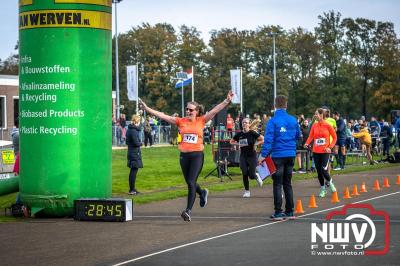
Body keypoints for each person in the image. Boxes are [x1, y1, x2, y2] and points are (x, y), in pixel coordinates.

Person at [139, 91, 234, 222]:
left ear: (197, 111)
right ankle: (202, 193)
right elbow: (163, 115)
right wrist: (147, 108)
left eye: (191, 109)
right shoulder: (180, 121)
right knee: (191, 182)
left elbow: (214, 111)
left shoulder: (202, 120)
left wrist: (226, 100)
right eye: (187, 109)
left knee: (190, 182)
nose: (188, 111)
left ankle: (188, 210)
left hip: (197, 156)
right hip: (184, 156)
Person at [258, 95, 300, 221]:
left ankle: (278, 212)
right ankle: (290, 211)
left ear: (275, 106)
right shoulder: (293, 120)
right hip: (290, 154)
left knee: (277, 184)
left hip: (278, 155)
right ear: (286, 105)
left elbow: (269, 140)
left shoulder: (273, 121)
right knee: (288, 183)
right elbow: (298, 135)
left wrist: (263, 155)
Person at [304, 108, 337, 198]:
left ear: (321, 115)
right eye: (315, 114)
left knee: (324, 170)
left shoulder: (328, 125)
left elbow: (334, 138)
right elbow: (311, 136)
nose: (315, 115)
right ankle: (323, 189)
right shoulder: (314, 125)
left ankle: (330, 183)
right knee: (319, 172)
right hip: (316, 151)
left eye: (317, 114)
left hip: (325, 151)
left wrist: (330, 147)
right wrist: (306, 143)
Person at [230, 118, 264, 198]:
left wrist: (256, 144)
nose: (244, 124)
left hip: (252, 155)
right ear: (242, 124)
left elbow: (263, 139)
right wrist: (238, 144)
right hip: (243, 156)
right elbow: (231, 141)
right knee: (244, 173)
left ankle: (256, 176)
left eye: (246, 122)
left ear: (249, 124)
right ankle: (247, 191)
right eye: (243, 122)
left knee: (251, 175)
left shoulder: (252, 133)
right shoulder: (239, 134)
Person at [126, 115, 143, 195]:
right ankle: (132, 189)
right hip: (134, 153)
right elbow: (136, 143)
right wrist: (141, 143)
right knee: (134, 171)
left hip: (132, 152)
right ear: (137, 121)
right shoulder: (133, 130)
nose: (140, 123)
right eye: (139, 121)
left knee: (133, 171)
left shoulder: (130, 129)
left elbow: (127, 142)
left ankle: (132, 189)